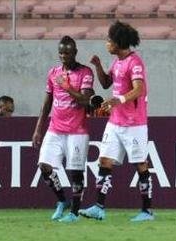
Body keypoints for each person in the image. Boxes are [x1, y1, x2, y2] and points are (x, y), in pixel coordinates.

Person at [80, 21, 153, 222]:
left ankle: (147, 211)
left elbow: (139, 89)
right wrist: (97, 66)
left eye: (109, 40)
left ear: (118, 42)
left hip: (134, 124)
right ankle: (98, 207)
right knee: (104, 161)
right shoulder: (117, 62)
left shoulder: (134, 62)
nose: (107, 43)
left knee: (140, 164)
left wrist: (118, 99)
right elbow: (106, 83)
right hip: (115, 122)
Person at [32, 36, 95, 223]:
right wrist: (38, 130)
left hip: (77, 130)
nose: (63, 56)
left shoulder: (85, 72)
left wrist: (67, 87)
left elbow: (86, 101)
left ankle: (74, 214)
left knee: (76, 173)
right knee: (44, 166)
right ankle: (62, 201)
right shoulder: (53, 73)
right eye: (60, 52)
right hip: (55, 129)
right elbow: (46, 104)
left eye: (67, 52)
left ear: (75, 52)